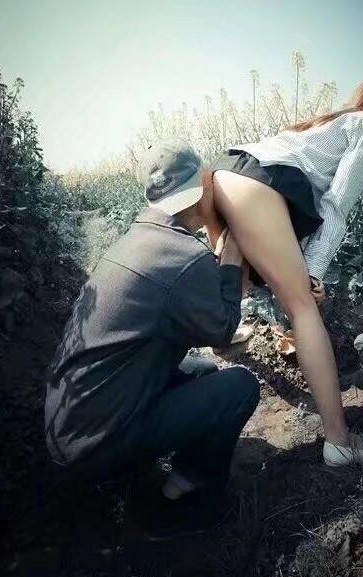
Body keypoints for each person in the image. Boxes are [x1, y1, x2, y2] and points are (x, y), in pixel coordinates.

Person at [44, 138, 260, 539]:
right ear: (201, 190)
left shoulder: (137, 240)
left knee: (203, 371)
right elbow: (222, 332)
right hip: (94, 444)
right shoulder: (184, 257)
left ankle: (174, 470)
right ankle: (177, 508)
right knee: (240, 387)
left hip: (69, 424)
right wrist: (231, 262)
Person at [201, 77, 363, 467]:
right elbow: (336, 203)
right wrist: (313, 273)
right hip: (259, 185)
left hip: (226, 171)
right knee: (303, 307)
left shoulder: (327, 122)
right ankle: (340, 443)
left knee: (235, 270)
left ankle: (214, 342)